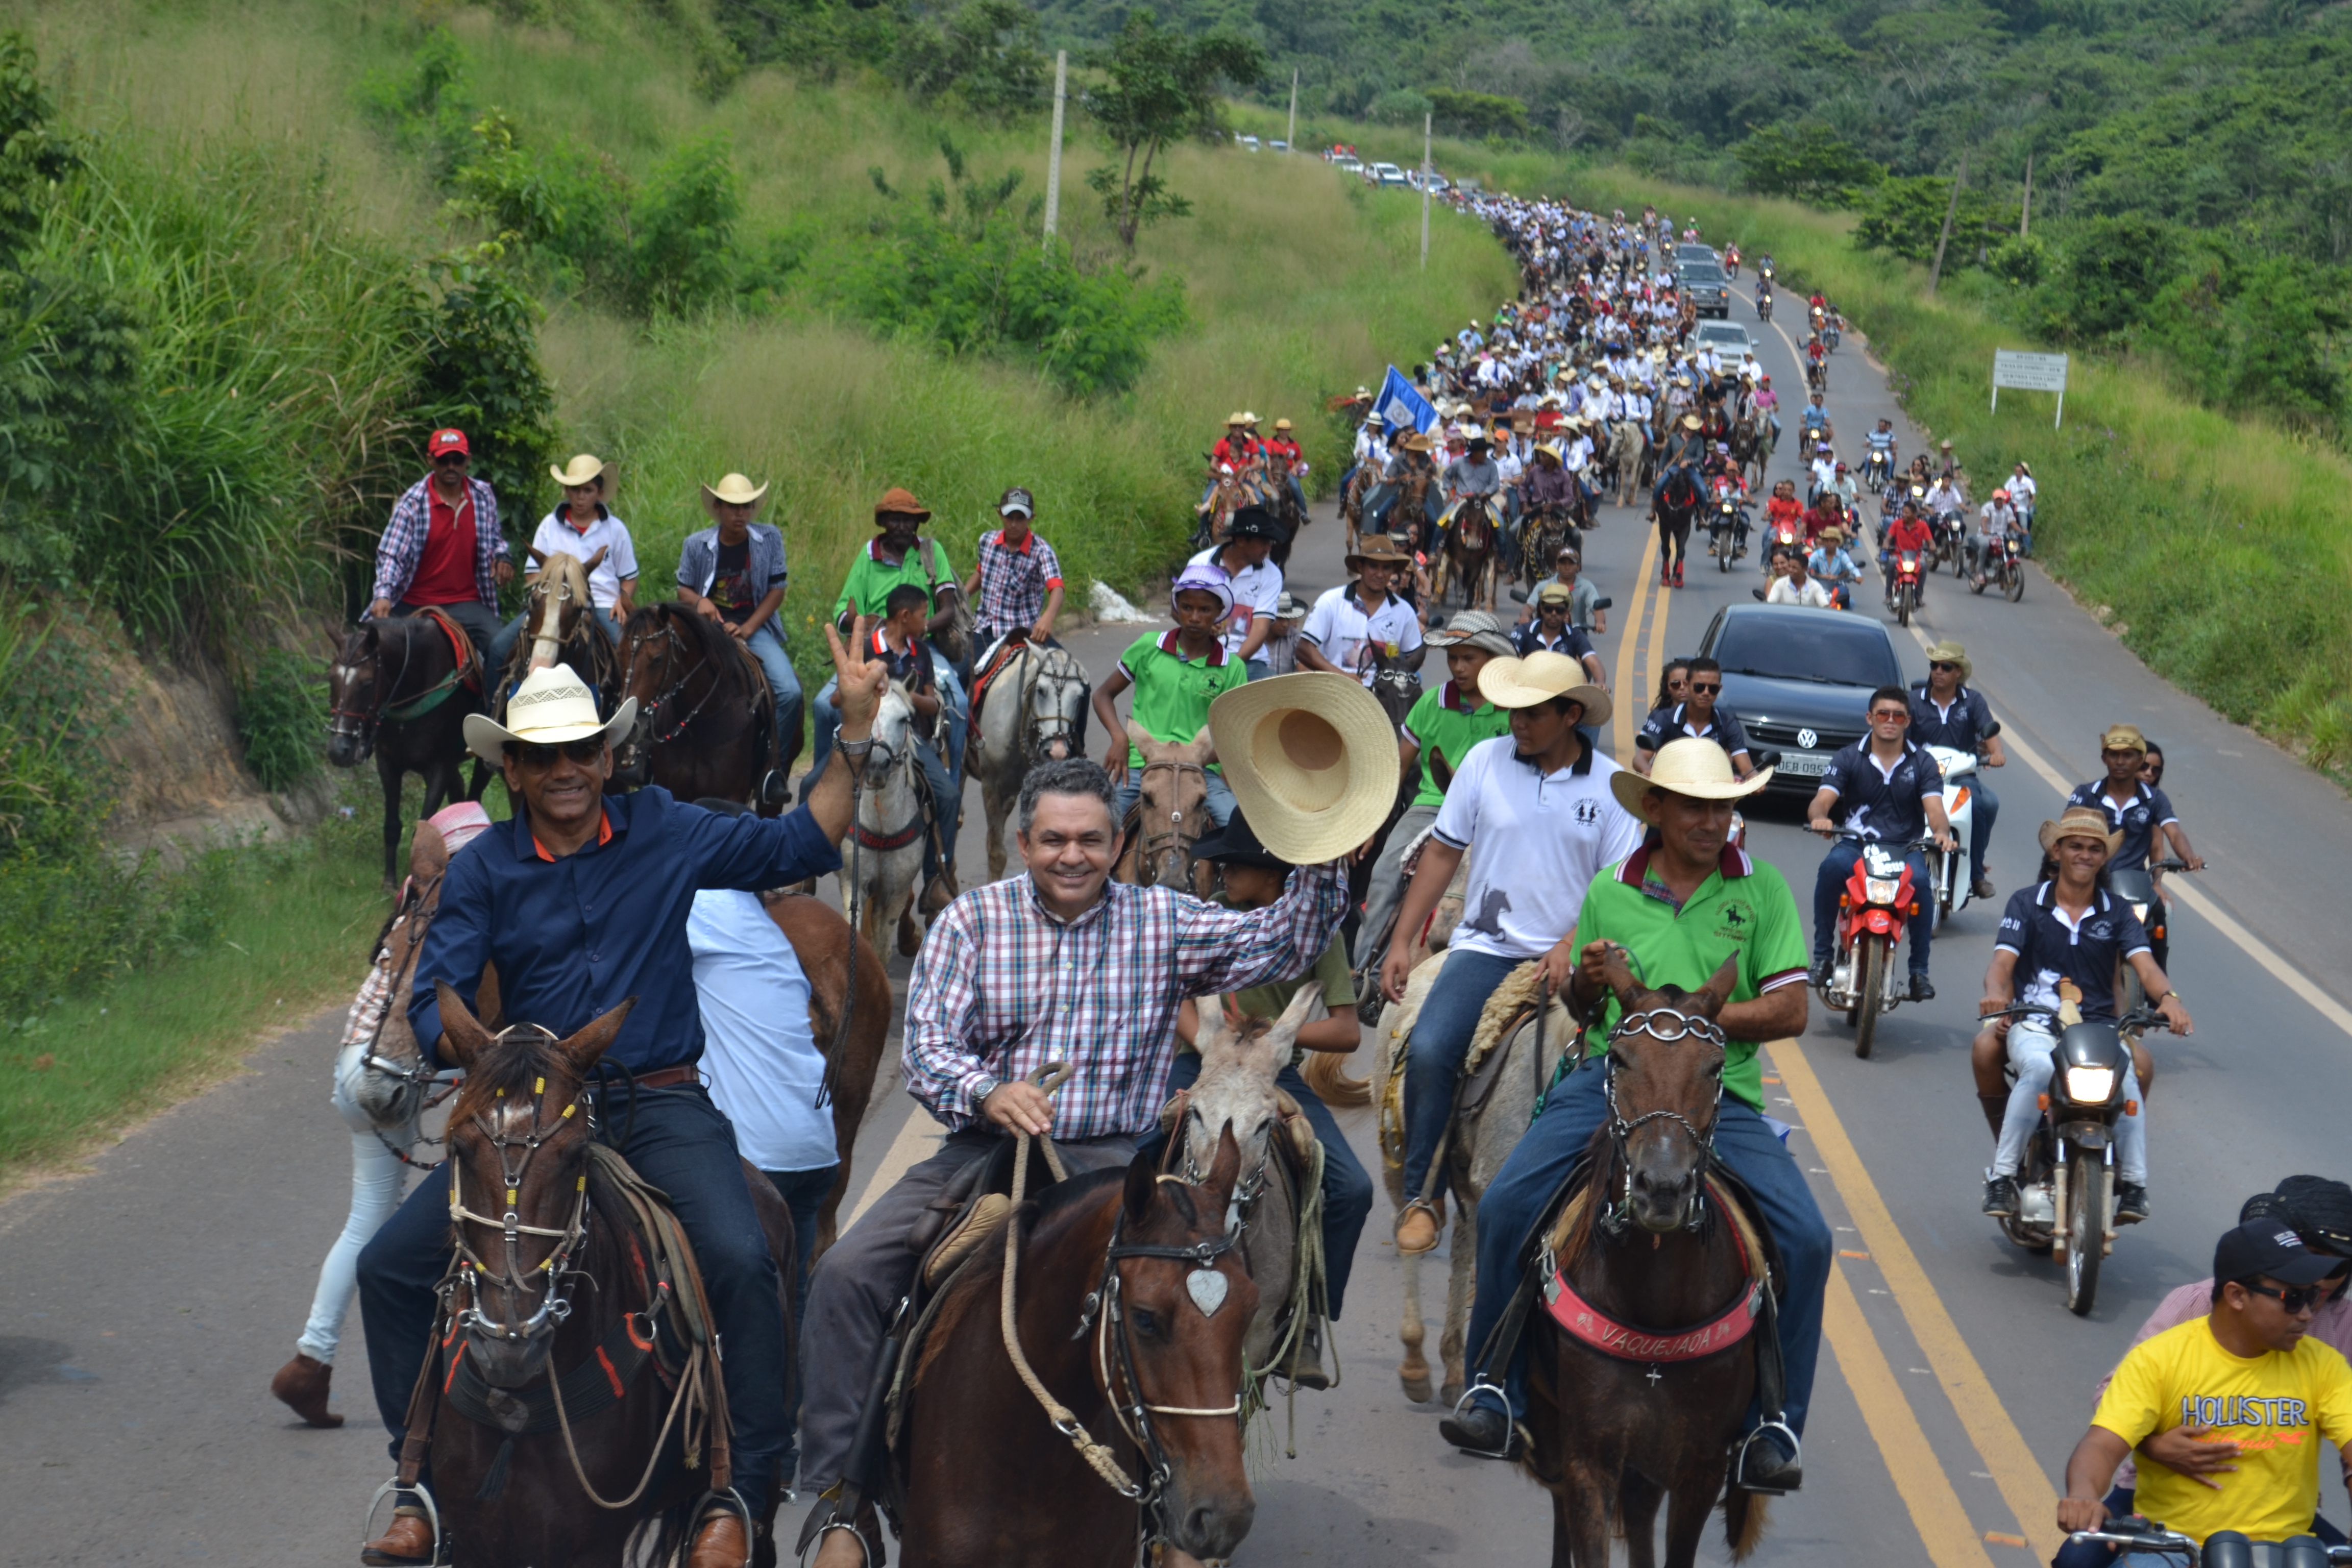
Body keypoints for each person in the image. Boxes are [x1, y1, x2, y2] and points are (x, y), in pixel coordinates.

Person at [357, 627, 884, 1568]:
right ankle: (420, 1488)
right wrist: (483, 1047)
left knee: (738, 1256)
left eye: (581, 751)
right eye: (542, 757)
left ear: (608, 755)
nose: (566, 770)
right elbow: (437, 1006)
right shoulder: (482, 870)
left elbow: (803, 837)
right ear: (511, 771)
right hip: (532, 1113)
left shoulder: (668, 827)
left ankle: (737, 1490)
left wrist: (849, 727)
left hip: (657, 1101)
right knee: (389, 1271)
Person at [796, 756, 1354, 1565]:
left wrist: (1325, 849)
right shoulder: (972, 922)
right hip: (988, 1148)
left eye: (1091, 840)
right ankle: (840, 1499)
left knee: (1202, 1299)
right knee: (848, 1272)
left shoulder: (1161, 920)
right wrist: (988, 1092)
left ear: (1117, 839)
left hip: (1113, 1163)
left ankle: (1179, 1496)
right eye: (1054, 839)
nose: (1072, 855)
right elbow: (925, 1048)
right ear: (1022, 842)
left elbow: (1284, 939)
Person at [1442, 739, 1824, 1494]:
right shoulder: (1611, 890)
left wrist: (1685, 1031)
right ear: (1654, 809)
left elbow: (1791, 1007)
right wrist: (1585, 986)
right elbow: (1583, 1010)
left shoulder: (1764, 890)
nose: (1714, 821)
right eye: (1696, 806)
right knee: (1510, 1202)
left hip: (1720, 1096)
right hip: (1608, 1086)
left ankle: (1772, 1428)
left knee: (1808, 1240)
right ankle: (1495, 1390)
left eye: (1724, 807)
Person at [1380, 652, 1639, 1256]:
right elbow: (1443, 853)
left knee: (1632, 1062)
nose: (1517, 722)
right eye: (1515, 711)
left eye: (1533, 713)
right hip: (1488, 948)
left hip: (1578, 964)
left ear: (1571, 714)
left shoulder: (1609, 786)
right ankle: (1424, 1192)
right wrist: (1401, 938)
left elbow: (1616, 887)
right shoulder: (1483, 762)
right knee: (1429, 1046)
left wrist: (1571, 945)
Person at [271, 801, 493, 1432]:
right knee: (427, 1225)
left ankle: (311, 1363)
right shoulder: (461, 919)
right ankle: (442, 1365)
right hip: (389, 1083)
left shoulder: (410, 914)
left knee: (366, 1221)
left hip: (353, 1071)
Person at [1163, 808, 1375, 1373]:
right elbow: (1179, 1000)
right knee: (1134, 1151)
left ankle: (1304, 1317)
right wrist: (1210, 1045)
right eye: (1224, 862)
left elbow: (1347, 1030)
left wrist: (1272, 1040)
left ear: (1277, 875)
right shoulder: (1209, 919)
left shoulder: (1319, 937)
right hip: (1199, 1066)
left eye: (1240, 864)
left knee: (1352, 1189)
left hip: (1271, 1074)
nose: (1225, 870)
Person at [2050, 1180, 2352, 1568]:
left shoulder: (2325, 1361)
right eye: (2295, 1297)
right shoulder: (2167, 1349)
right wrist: (2086, 1494)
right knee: (2077, 1560)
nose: (2309, 1310)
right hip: (2171, 1540)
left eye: (2315, 1289)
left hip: (2284, 1542)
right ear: (2236, 1297)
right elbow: (2105, 1440)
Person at [683, 798, 842, 1485]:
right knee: (793, 1296)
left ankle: (747, 1451)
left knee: (738, 1302)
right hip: (813, 1146)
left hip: (760, 1152)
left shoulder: (701, 909)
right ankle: (787, 1438)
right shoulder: (758, 922)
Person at [1972, 805, 2189, 1222]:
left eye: (2094, 849)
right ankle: (2002, 1178)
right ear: (2057, 851)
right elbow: (2001, 965)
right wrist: (1996, 997)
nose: (2085, 855)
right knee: (2036, 1070)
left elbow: (2145, 966)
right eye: (2076, 846)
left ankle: (2134, 1186)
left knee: (2127, 1079)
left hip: (2098, 1029)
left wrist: (2170, 999)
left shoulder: (2119, 912)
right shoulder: (2025, 903)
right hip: (2037, 1022)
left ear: (2104, 857)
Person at [1356, 611, 1514, 984]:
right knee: (1384, 875)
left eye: (1469, 658)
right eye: (1453, 658)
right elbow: (1397, 768)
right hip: (1432, 805)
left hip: (1495, 814)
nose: (1458, 667)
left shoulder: (1514, 710)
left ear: (1492, 660)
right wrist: (1371, 822)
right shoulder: (1430, 703)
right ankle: (1364, 974)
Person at [1804, 686, 1956, 1000]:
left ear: (1907, 721)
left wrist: (1941, 833)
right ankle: (1822, 957)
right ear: (1870, 718)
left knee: (1921, 883)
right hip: (1856, 845)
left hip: (1906, 848)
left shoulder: (1924, 763)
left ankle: (1919, 972)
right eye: (1883, 714)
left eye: (1898, 715)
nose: (1890, 720)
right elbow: (1822, 801)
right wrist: (1821, 817)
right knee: (1832, 868)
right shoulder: (1848, 757)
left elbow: (1936, 812)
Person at [812, 488, 968, 785]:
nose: (902, 527)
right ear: (884, 522)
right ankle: (825, 780)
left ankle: (951, 780)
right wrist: (862, 622)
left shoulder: (931, 553)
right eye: (894, 520)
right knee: (822, 705)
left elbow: (948, 609)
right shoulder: (868, 557)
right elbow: (841, 613)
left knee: (958, 703)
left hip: (922, 647)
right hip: (874, 647)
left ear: (917, 524)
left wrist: (921, 628)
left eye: (908, 521)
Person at [1091, 564, 1248, 830]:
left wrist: (1204, 759)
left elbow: (1235, 733)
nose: (1195, 617)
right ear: (1176, 608)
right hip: (1142, 768)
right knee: (1097, 826)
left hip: (1199, 774)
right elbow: (1103, 695)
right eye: (1187, 607)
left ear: (1219, 613)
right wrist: (1120, 738)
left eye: (1205, 610)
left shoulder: (1232, 668)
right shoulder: (1148, 647)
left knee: (1235, 830)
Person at [677, 471, 804, 798]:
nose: (740, 514)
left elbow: (777, 590)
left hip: (754, 628)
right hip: (707, 630)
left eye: (746, 507)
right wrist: (701, 601)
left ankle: (775, 768)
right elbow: (683, 590)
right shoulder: (697, 545)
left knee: (789, 692)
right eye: (733, 507)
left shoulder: (769, 539)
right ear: (718, 508)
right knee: (666, 676)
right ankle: (650, 757)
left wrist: (747, 628)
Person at [2066, 724, 2203, 971]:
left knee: (2161, 915)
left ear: (2139, 760)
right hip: (2090, 882)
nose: (2120, 761)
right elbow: (2067, 834)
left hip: (2134, 884)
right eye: (2114, 755)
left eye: (2128, 755)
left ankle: (2158, 996)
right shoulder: (2086, 794)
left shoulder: (2155, 799)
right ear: (2104, 758)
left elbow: (2174, 832)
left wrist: (2189, 856)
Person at [367, 427, 512, 658]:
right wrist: (383, 594)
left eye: (458, 460)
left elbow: (496, 539)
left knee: (501, 648)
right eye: (444, 460)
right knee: (368, 648)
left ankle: (497, 696)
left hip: (466, 602)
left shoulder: (483, 496)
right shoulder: (412, 504)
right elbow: (392, 555)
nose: (451, 466)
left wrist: (503, 556)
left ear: (468, 461)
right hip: (414, 602)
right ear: (431, 460)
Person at [492, 454, 638, 675]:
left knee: (623, 652)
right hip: (553, 603)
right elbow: (533, 574)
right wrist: (549, 594)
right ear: (566, 491)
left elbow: (629, 576)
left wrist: (621, 599)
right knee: (498, 648)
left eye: (587, 491)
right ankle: (493, 706)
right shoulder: (549, 525)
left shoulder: (616, 529)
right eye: (575, 490)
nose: (580, 498)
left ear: (600, 494)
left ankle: (622, 706)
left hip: (602, 604)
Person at [1909, 641, 2004, 900]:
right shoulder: (1913, 701)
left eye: (1946, 667)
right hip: (1920, 773)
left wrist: (1996, 755)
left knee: (1983, 805)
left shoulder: (1973, 701)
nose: (1938, 671)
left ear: (1958, 672)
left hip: (1962, 775)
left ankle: (1976, 875)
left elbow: (1992, 737)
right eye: (1934, 666)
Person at [1298, 535, 1426, 684]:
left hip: (1381, 699)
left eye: (1386, 568)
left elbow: (1416, 653)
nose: (1380, 574)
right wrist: (1341, 676)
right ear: (1360, 567)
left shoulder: (1404, 611)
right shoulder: (1331, 601)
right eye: (1373, 566)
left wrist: (1396, 678)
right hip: (1336, 691)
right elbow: (1304, 648)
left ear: (1393, 571)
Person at [963, 486, 1065, 654]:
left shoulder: (1042, 552)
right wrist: (961, 597)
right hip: (984, 630)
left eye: (1020, 519)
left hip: (1022, 635)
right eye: (1009, 518)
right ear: (1000, 514)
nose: (1013, 525)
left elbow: (1057, 588)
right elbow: (982, 573)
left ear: (1031, 518)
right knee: (955, 676)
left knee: (1068, 673)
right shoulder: (986, 541)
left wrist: (1048, 618)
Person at [1188, 505, 1284, 679]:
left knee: (1275, 697)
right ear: (1240, 540)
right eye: (1263, 542)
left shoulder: (1272, 574)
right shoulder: (1201, 563)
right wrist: (1203, 624)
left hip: (1249, 662)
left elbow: (1260, 629)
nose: (1268, 548)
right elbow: (1178, 610)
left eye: (1270, 543)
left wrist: (1234, 667)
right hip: (1201, 654)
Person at [1635, 655, 1753, 778]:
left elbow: (1747, 769)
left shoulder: (1728, 723)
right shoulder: (1664, 718)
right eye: (1699, 687)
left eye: (1713, 689)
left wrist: (1755, 779)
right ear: (1687, 685)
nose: (1706, 693)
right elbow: (1641, 758)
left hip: (1709, 792)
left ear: (1719, 689)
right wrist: (1648, 771)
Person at [1513, 581, 1606, 683]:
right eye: (1549, 609)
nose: (1554, 614)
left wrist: (1600, 682)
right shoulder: (1524, 632)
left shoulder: (1576, 636)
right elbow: (1508, 653)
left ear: (1567, 612)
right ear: (1542, 610)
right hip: (1528, 689)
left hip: (1563, 693)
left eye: (1559, 610)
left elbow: (1595, 664)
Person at [1882, 502, 1935, 607]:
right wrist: (1886, 544)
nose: (1904, 515)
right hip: (1899, 556)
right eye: (1903, 512)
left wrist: (1932, 547)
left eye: (1907, 513)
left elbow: (1931, 542)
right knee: (1891, 563)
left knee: (1924, 566)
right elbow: (1888, 539)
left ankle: (1919, 596)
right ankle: (1888, 595)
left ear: (1914, 514)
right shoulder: (1897, 524)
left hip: (1915, 558)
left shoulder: (1922, 526)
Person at [1970, 487, 2020, 586]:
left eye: (2000, 499)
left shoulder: (2008, 509)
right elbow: (1984, 519)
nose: (1998, 501)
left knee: (2014, 546)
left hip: (2002, 537)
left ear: (2003, 500)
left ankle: (2005, 573)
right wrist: (1984, 529)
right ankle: (1980, 572)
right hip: (1987, 536)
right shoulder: (1987, 507)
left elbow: (2012, 522)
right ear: (1993, 499)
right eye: (1997, 499)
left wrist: (2021, 531)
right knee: (1985, 545)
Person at [1806, 526, 1864, 609]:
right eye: (1827, 541)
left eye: (1832, 541)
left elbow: (1851, 567)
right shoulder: (1817, 554)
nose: (1829, 543)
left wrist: (1858, 576)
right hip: (1819, 584)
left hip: (1838, 584)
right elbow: (1807, 564)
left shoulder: (1842, 555)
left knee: (1849, 602)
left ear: (1837, 542)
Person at [1767, 551, 1835, 608]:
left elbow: (1824, 606)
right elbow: (1770, 604)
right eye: (1789, 566)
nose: (1790, 570)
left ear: (1805, 569)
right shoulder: (1780, 583)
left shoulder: (1815, 586)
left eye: (1794, 568)